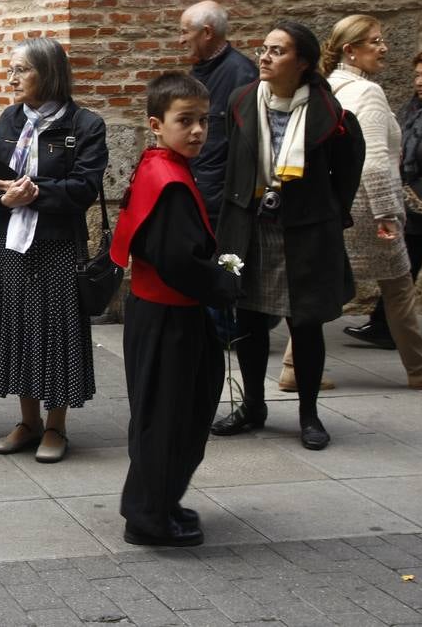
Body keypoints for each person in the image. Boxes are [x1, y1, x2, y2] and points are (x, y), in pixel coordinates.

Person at [210, 21, 364, 451]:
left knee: (306, 323)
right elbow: (227, 164)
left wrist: (327, 215)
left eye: (277, 51)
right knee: (249, 321)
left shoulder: (329, 113)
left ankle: (308, 414)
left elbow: (346, 172)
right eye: (264, 48)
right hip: (247, 228)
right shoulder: (242, 101)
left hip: (303, 232)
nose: (264, 56)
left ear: (303, 62)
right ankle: (253, 406)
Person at [110, 72, 241, 548]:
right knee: (170, 418)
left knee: (167, 415)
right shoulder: (169, 179)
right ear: (156, 124)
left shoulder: (159, 165)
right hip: (170, 318)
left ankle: (157, 502)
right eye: (184, 121)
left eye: (204, 121)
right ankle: (149, 518)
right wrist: (225, 283)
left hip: (159, 314)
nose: (198, 131)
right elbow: (176, 260)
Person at [0, 37, 106, 464]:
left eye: (21, 70)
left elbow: (85, 187)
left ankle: (56, 425)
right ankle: (27, 421)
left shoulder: (84, 125)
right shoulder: (9, 120)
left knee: (56, 332)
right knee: (19, 329)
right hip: (11, 243)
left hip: (56, 245)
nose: (11, 78)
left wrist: (33, 193)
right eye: (11, 69)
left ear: (48, 73)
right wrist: (4, 200)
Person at [309, 16, 422, 388]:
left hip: (337, 205)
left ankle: (295, 367)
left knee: (325, 284)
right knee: (399, 286)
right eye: (375, 42)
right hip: (367, 210)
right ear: (351, 50)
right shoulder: (367, 93)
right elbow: (374, 160)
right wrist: (387, 212)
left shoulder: (328, 86)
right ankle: (419, 369)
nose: (384, 48)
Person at [350, 47, 422, 348]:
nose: (418, 81)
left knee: (403, 263)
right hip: (418, 199)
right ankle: (383, 326)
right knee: (404, 263)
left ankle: (385, 327)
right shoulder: (414, 109)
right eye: (417, 75)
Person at [181, 1, 259, 223]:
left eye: (185, 32)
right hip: (197, 193)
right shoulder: (199, 72)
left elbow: (245, 145)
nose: (181, 40)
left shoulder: (242, 76)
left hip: (221, 203)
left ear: (206, 32)